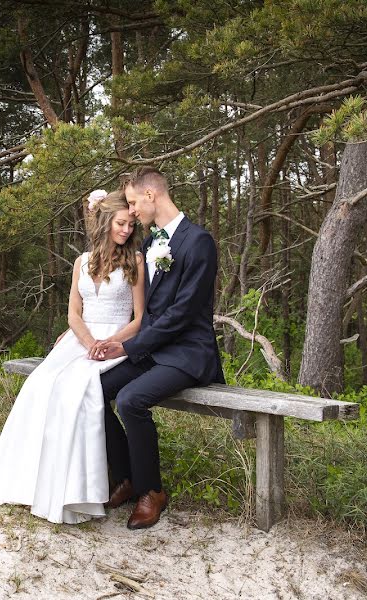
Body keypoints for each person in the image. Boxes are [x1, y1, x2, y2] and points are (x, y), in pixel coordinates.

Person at [0, 190, 145, 524]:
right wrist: (87, 340)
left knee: (78, 390)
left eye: (130, 224)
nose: (126, 230)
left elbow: (140, 320)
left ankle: (94, 480)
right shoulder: (84, 261)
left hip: (116, 341)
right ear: (106, 222)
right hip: (81, 340)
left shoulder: (135, 262)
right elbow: (73, 315)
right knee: (41, 383)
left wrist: (108, 342)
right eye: (121, 223)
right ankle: (41, 472)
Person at [91, 167, 224, 530]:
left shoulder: (198, 242)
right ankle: (128, 477)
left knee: (131, 400)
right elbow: (136, 304)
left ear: (151, 196)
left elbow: (181, 315)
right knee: (95, 391)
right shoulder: (150, 245)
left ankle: (153, 491)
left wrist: (128, 347)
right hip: (153, 349)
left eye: (134, 202)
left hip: (187, 352)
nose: (132, 212)